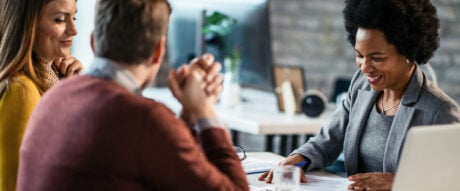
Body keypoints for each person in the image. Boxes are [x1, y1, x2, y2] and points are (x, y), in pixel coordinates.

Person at [17, 0, 249, 190]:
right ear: (159, 50)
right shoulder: (145, 119)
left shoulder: (55, 95)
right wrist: (204, 111)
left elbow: (160, 161)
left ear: (93, 42)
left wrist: (188, 114)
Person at [259, 0, 460, 190]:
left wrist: (399, 182)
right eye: (359, 55)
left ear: (409, 52)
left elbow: (451, 181)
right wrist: (299, 159)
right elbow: (328, 140)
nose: (365, 67)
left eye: (377, 58)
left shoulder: (441, 111)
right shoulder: (361, 85)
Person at [0, 0, 82, 190]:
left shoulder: (56, 81)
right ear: (29, 25)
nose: (73, 30)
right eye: (60, 19)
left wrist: (74, 91)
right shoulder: (21, 92)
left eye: (74, 17)